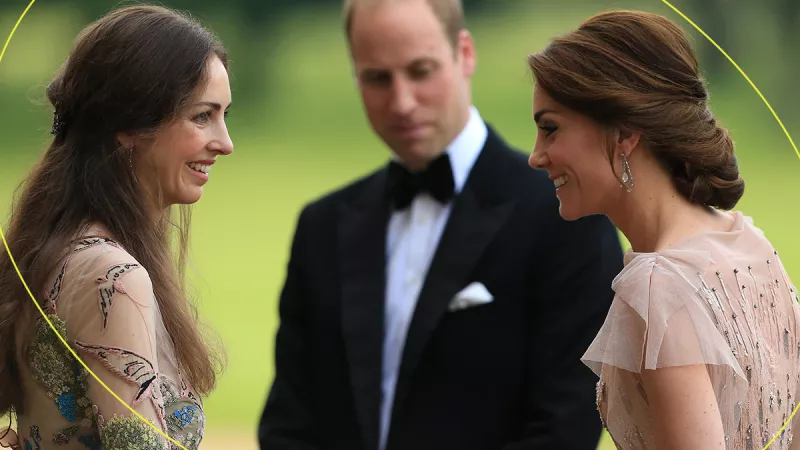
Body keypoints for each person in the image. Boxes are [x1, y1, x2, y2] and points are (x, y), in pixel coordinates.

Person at [257, 0, 624, 449]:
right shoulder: (322, 226)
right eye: (377, 78)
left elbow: (565, 426)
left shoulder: (565, 217)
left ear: (464, 53)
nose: (402, 102)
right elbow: (288, 422)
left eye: (421, 71)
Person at [527, 9, 800, 450]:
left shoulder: (658, 287)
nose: (536, 156)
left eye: (550, 129)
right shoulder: (748, 242)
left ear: (624, 133)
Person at [0, 4, 233, 449]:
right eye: (202, 116)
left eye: (224, 115)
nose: (225, 143)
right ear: (129, 125)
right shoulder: (112, 276)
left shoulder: (55, 247)